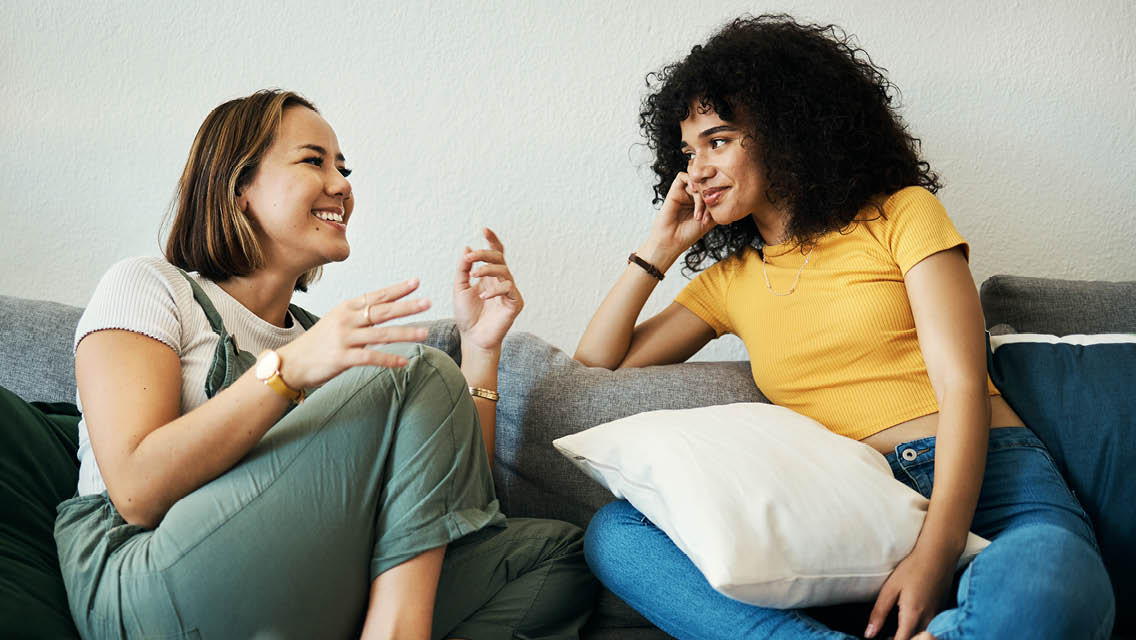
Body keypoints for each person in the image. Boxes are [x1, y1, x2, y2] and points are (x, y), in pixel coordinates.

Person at [575, 14, 1114, 640]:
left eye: (717, 141)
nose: (695, 169)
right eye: (688, 151)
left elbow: (962, 384)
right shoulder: (730, 282)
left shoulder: (900, 215)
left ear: (787, 129)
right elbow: (596, 366)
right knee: (617, 535)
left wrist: (934, 555)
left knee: (1053, 578)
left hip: (993, 481)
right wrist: (658, 249)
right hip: (851, 508)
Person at [53, 89, 597, 639]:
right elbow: (135, 491)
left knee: (555, 556)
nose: (342, 184)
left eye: (344, 166)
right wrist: (289, 370)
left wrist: (480, 352)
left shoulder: (322, 340)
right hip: (145, 579)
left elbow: (446, 504)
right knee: (419, 369)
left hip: (297, 583)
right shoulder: (150, 286)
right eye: (314, 161)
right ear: (238, 187)